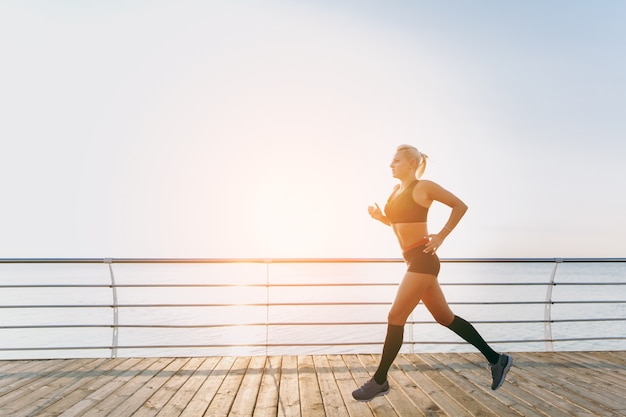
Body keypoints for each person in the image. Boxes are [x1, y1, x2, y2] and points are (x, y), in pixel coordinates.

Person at [352, 144, 512, 402]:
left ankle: (379, 380)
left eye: (396, 161)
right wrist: (380, 217)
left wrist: (442, 235)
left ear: (411, 164)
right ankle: (497, 359)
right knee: (445, 317)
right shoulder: (395, 191)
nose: (391, 165)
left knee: (395, 316)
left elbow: (459, 205)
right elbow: (398, 223)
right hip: (412, 261)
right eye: (391, 161)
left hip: (423, 260)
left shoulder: (423, 187)